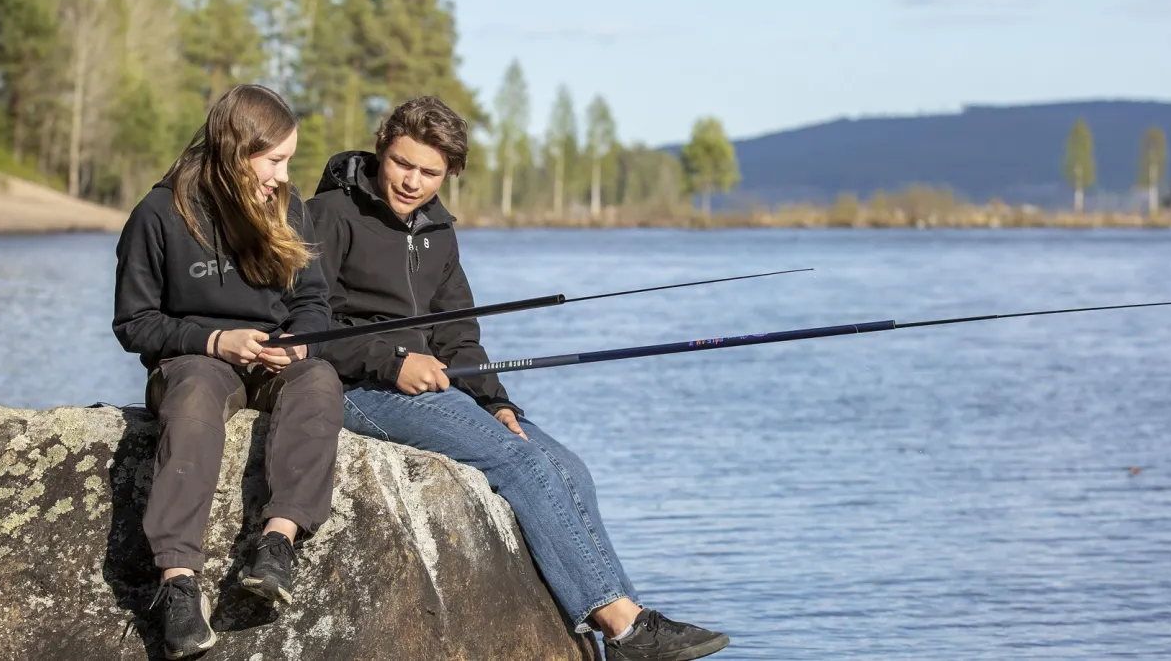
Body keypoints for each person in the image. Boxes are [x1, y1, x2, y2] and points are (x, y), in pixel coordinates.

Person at [305, 95, 731, 661]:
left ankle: (620, 626)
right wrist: (392, 362)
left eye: (430, 172)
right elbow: (307, 322)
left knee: (567, 467)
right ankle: (625, 626)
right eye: (402, 164)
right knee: (519, 462)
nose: (412, 181)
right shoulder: (329, 215)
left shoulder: (438, 231)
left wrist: (496, 403)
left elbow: (458, 334)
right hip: (355, 388)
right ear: (381, 150)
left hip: (433, 385)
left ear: (450, 173)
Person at [112, 84, 344, 659]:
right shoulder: (159, 212)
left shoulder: (286, 206)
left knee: (319, 380)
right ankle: (178, 586)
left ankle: (277, 545)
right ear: (237, 150)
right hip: (193, 360)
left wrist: (297, 342)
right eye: (275, 160)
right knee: (191, 396)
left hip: (272, 363)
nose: (283, 175)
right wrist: (214, 339)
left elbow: (314, 301)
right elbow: (134, 324)